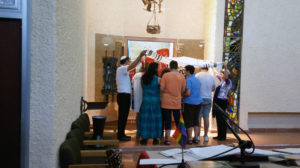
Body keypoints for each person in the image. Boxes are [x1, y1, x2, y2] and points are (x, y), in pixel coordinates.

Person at [116, 50, 146, 141]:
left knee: (124, 116)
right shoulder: (121, 69)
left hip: (124, 96)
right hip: (123, 96)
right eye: (129, 61)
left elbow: (133, 66)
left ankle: (121, 134)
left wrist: (140, 59)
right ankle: (121, 135)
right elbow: (132, 66)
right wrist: (140, 55)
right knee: (122, 116)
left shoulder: (122, 70)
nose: (129, 63)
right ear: (126, 62)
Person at [160, 61, 186, 145]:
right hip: (177, 102)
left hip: (166, 102)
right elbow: (183, 90)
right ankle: (180, 139)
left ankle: (167, 140)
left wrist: (167, 91)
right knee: (178, 121)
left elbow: (161, 89)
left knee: (167, 121)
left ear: (170, 66)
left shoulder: (165, 75)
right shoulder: (181, 76)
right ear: (177, 66)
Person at [137, 62, 162, 145]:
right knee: (154, 119)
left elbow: (142, 88)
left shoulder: (143, 78)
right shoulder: (158, 79)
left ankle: (144, 138)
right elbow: (161, 89)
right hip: (155, 101)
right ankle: (155, 139)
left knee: (145, 119)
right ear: (155, 69)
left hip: (146, 101)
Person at [182, 65, 202, 144]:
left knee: (189, 120)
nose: (184, 72)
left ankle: (190, 139)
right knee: (196, 120)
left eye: (185, 71)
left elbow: (188, 93)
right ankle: (196, 138)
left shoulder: (188, 80)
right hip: (198, 102)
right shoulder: (197, 80)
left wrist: (182, 94)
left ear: (188, 71)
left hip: (189, 102)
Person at [195, 65, 216, 142]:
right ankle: (206, 135)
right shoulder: (211, 76)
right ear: (208, 68)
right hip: (208, 98)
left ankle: (198, 136)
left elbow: (195, 87)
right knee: (206, 117)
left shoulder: (197, 75)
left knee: (199, 117)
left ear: (200, 68)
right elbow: (213, 88)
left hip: (199, 99)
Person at [212, 61, 232, 141]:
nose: (220, 75)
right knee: (218, 119)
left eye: (222, 74)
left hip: (222, 102)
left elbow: (226, 76)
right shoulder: (222, 81)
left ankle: (222, 136)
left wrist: (226, 66)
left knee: (222, 119)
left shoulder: (227, 81)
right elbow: (216, 73)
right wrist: (212, 66)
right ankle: (219, 134)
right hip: (218, 101)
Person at [132, 62, 149, 135]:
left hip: (136, 96)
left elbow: (132, 85)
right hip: (145, 96)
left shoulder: (135, 75)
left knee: (138, 114)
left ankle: (138, 129)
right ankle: (145, 130)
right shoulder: (147, 76)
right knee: (146, 114)